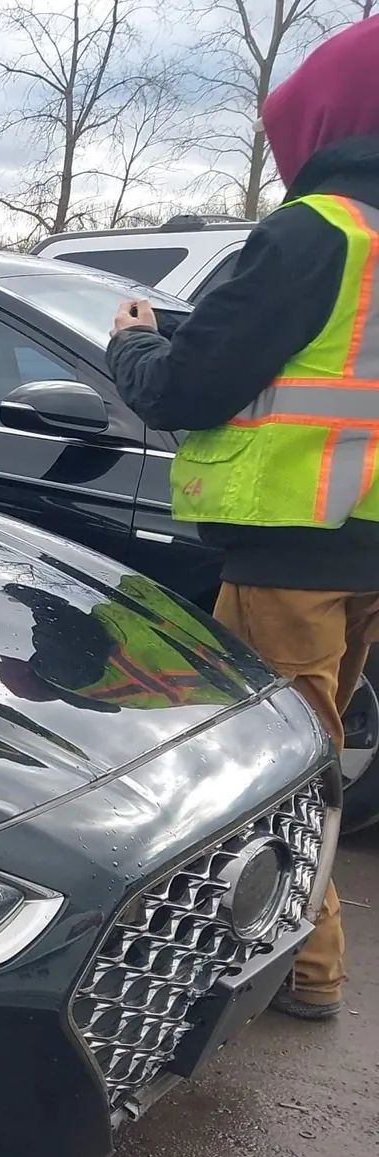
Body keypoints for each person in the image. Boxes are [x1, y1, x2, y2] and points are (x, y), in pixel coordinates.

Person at [108, 15, 379, 1022]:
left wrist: (131, 344)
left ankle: (303, 972)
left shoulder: (316, 232)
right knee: (309, 750)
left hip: (291, 549)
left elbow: (188, 386)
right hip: (364, 543)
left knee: (274, 771)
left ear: (323, 120)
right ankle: (292, 959)